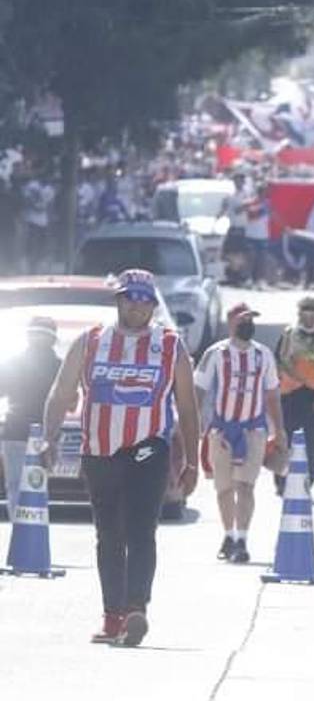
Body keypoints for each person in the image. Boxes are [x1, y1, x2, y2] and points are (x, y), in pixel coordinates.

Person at [42, 269, 201, 647]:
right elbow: (61, 391)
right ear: (119, 299)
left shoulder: (170, 345)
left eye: (145, 299)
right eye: (131, 298)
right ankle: (112, 615)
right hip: (99, 450)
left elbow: (188, 406)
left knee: (141, 530)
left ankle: (136, 609)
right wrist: (47, 438)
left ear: (153, 304)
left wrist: (192, 460)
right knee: (108, 533)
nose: (138, 306)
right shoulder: (91, 341)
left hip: (149, 447)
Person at [196, 304, 288, 565]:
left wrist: (279, 430)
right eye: (243, 319)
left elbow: (272, 394)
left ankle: (242, 539)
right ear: (231, 322)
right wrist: (194, 425)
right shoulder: (215, 354)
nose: (248, 323)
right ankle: (228, 534)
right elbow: (199, 390)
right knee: (224, 488)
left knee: (246, 485)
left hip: (253, 430)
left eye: (251, 319)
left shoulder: (264, 355)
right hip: (222, 431)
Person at [274, 297, 314, 493]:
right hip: (290, 393)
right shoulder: (289, 334)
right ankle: (282, 480)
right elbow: (279, 362)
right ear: (299, 313)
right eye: (305, 311)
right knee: (285, 438)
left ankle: (307, 481)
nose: (309, 316)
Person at [0, 317, 62, 513]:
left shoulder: (13, 363)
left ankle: (23, 531)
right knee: (37, 484)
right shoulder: (61, 366)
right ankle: (31, 530)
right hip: (43, 433)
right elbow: (71, 401)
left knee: (18, 484)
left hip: (21, 432)